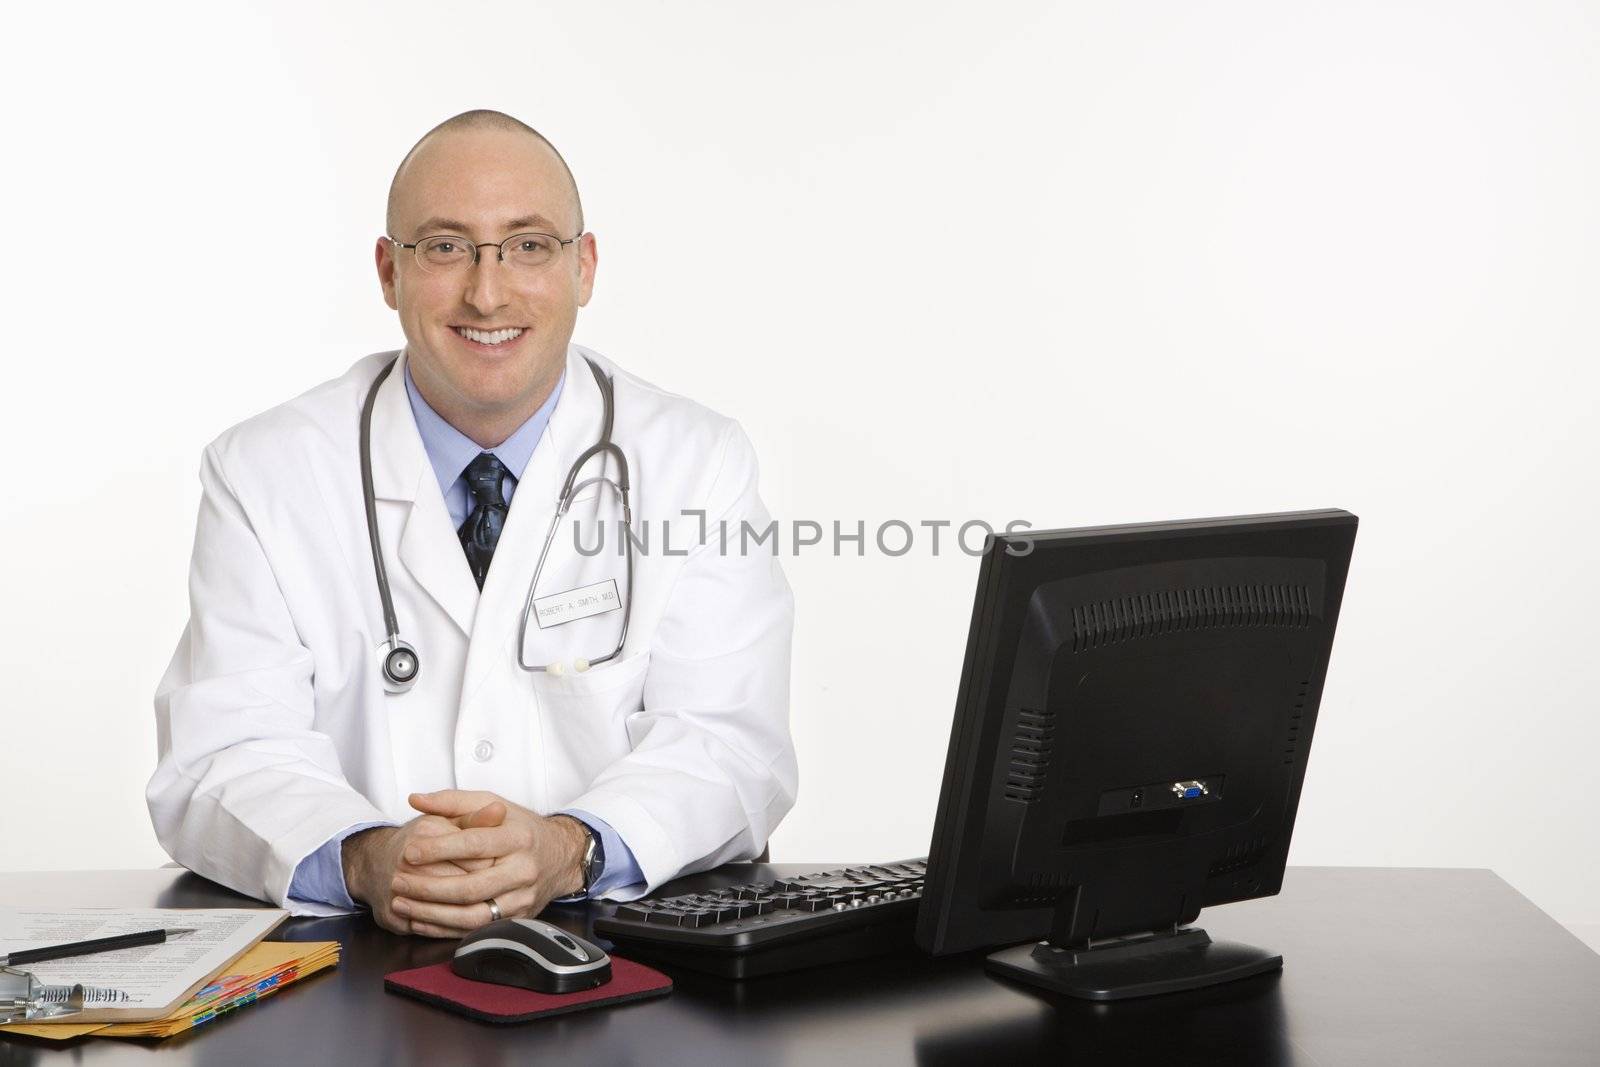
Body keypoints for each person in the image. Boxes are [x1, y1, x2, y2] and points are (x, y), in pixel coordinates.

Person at [146, 110, 796, 938]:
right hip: (352, 966)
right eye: (446, 247)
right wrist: (363, 857)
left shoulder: (698, 460)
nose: (487, 293)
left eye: (528, 245)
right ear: (388, 271)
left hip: (621, 953)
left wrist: (570, 849)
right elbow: (221, 753)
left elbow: (734, 744)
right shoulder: (265, 471)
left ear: (584, 266)